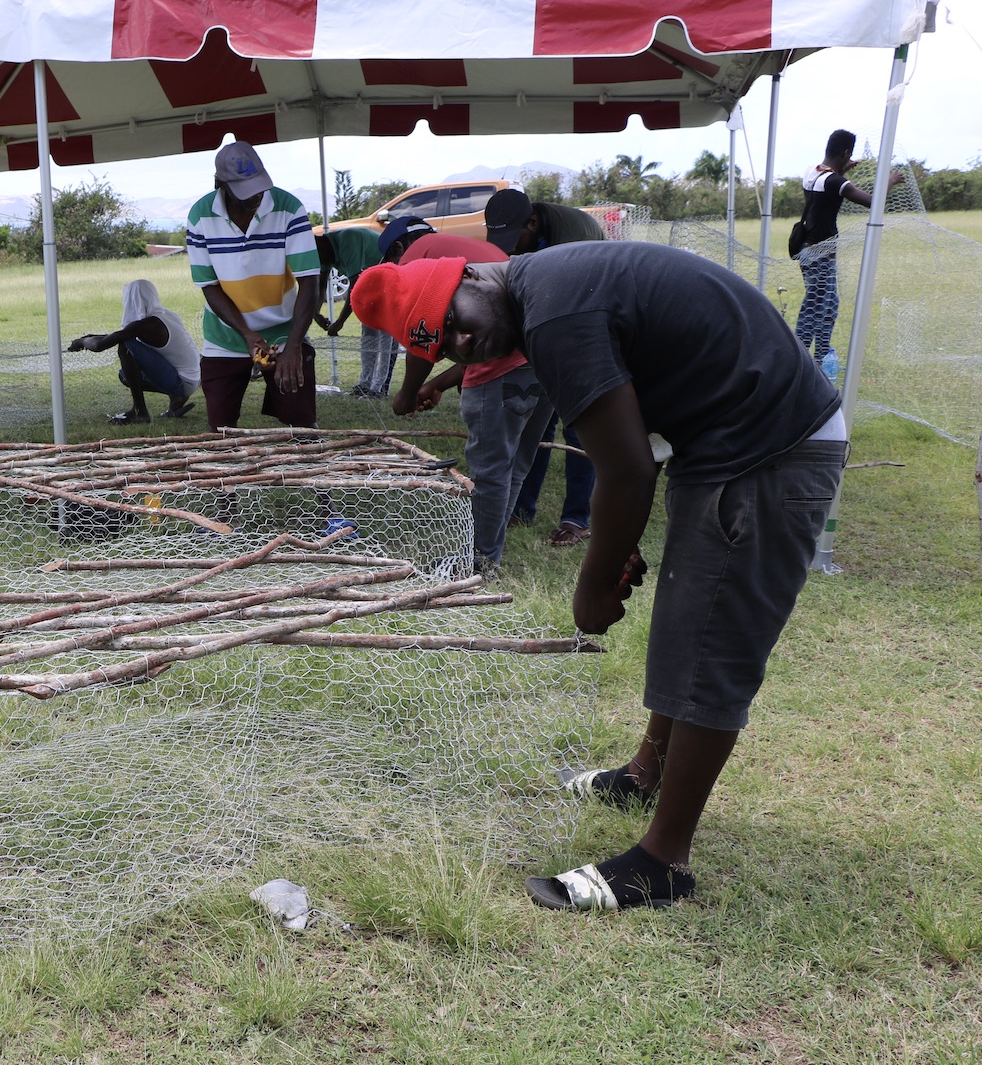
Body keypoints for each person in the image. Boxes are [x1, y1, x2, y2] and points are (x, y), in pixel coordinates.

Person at [351, 241, 845, 912]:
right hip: (725, 442)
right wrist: (617, 546)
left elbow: (627, 470)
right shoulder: (538, 297)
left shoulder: (554, 313)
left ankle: (664, 860)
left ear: (470, 276)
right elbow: (631, 439)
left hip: (770, 449)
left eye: (458, 322)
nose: (465, 343)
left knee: (712, 638)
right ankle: (644, 775)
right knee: (685, 620)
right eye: (448, 346)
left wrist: (591, 590)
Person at [396, 233, 554, 574]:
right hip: (539, 357)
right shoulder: (473, 253)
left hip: (499, 372)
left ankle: (478, 561)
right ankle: (488, 553)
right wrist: (438, 383)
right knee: (516, 463)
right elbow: (479, 328)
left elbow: (428, 339)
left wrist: (407, 394)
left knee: (491, 471)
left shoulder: (413, 271)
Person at [484, 188, 605, 548]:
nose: (511, 248)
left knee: (580, 429)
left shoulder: (570, 243)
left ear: (533, 223)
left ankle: (576, 519)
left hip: (588, 324)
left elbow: (566, 307)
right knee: (540, 424)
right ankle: (522, 507)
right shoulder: (528, 235)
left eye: (515, 238)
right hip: (550, 329)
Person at [186, 141, 321, 431]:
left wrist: (294, 345)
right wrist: (246, 333)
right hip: (226, 335)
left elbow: (310, 282)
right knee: (220, 429)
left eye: (259, 185)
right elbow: (209, 286)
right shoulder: (199, 217)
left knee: (302, 426)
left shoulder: (289, 209)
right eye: (245, 190)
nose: (257, 195)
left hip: (286, 332)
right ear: (220, 184)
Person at [794, 129, 905, 383]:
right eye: (849, 155)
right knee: (813, 309)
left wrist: (843, 170)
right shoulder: (835, 182)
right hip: (820, 255)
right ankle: (800, 361)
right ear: (845, 152)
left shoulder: (813, 172)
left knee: (828, 306)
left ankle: (821, 358)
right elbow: (874, 202)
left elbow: (827, 189)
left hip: (808, 251)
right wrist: (890, 179)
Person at [68, 279, 200, 425]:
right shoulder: (165, 316)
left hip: (182, 382)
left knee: (127, 346)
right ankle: (177, 397)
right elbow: (120, 334)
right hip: (191, 379)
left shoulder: (148, 325)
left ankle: (140, 412)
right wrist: (90, 338)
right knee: (125, 375)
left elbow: (101, 345)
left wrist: (81, 342)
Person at [312, 226, 395, 398]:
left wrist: (340, 322)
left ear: (320, 243)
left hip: (391, 278)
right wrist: (316, 313)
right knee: (368, 335)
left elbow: (355, 287)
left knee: (386, 336)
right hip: (372, 285)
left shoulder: (347, 240)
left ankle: (379, 388)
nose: (319, 262)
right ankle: (365, 385)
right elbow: (320, 286)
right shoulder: (323, 251)